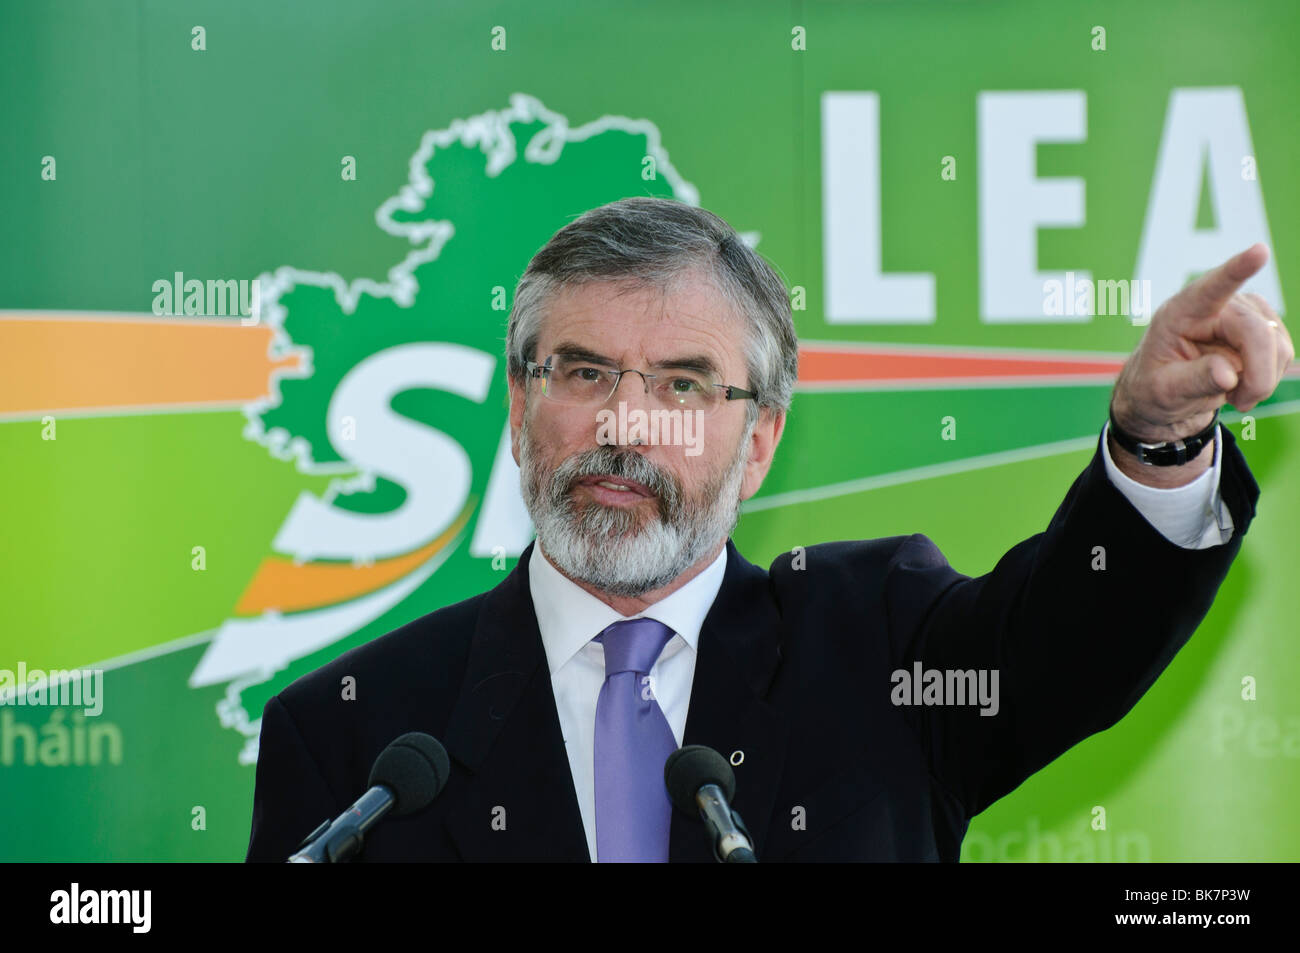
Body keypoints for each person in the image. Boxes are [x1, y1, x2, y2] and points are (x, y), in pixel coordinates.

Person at [246, 196, 1291, 862]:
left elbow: (1072, 641)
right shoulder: (352, 732)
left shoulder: (880, 646)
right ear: (520, 410)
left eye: (684, 383)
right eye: (583, 371)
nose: (624, 422)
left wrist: (1155, 438)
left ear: (758, 440)